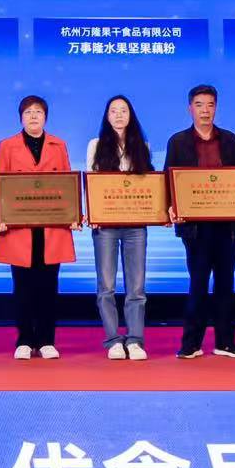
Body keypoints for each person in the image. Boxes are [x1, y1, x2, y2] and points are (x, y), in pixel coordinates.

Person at [164, 84, 235, 359]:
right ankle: (191, 343)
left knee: (226, 285)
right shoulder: (178, 141)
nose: (205, 110)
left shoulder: (230, 140)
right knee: (198, 284)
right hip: (195, 227)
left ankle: (225, 342)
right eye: (199, 105)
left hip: (228, 226)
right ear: (190, 109)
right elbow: (169, 180)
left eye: (210, 105)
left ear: (216, 108)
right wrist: (170, 207)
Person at [0, 94, 75, 360]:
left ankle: (47, 340)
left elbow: (68, 184)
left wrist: (73, 213)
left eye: (38, 111)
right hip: (19, 227)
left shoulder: (58, 145)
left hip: (51, 227)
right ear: (21, 118)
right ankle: (25, 340)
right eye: (28, 112)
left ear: (45, 117)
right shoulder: (7, 146)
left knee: (49, 285)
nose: (33, 116)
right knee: (23, 286)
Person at [86, 94, 152, 360]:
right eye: (113, 111)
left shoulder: (142, 146)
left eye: (123, 110)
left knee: (136, 287)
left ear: (130, 115)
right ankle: (113, 340)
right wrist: (93, 212)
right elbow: (91, 183)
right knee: (107, 285)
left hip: (136, 225)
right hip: (106, 224)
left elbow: (150, 185)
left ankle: (135, 340)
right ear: (107, 116)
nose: (119, 115)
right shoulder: (96, 145)